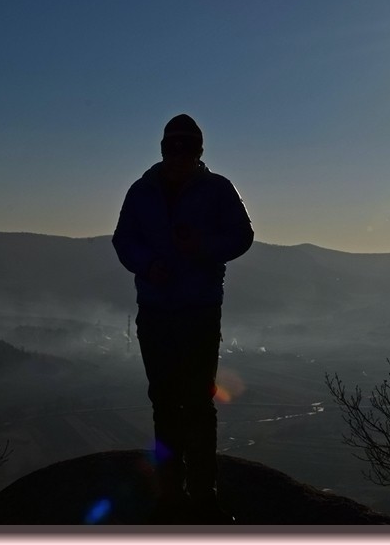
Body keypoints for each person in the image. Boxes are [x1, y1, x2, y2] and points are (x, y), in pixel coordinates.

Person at [112, 114, 254, 524]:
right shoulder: (142, 191)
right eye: (170, 147)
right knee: (165, 403)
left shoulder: (217, 189)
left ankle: (202, 496)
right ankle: (172, 494)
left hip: (197, 311)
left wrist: (201, 246)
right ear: (162, 149)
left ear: (198, 151)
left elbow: (242, 236)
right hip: (158, 311)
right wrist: (148, 264)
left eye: (185, 147)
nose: (176, 155)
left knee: (195, 403)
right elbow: (124, 241)